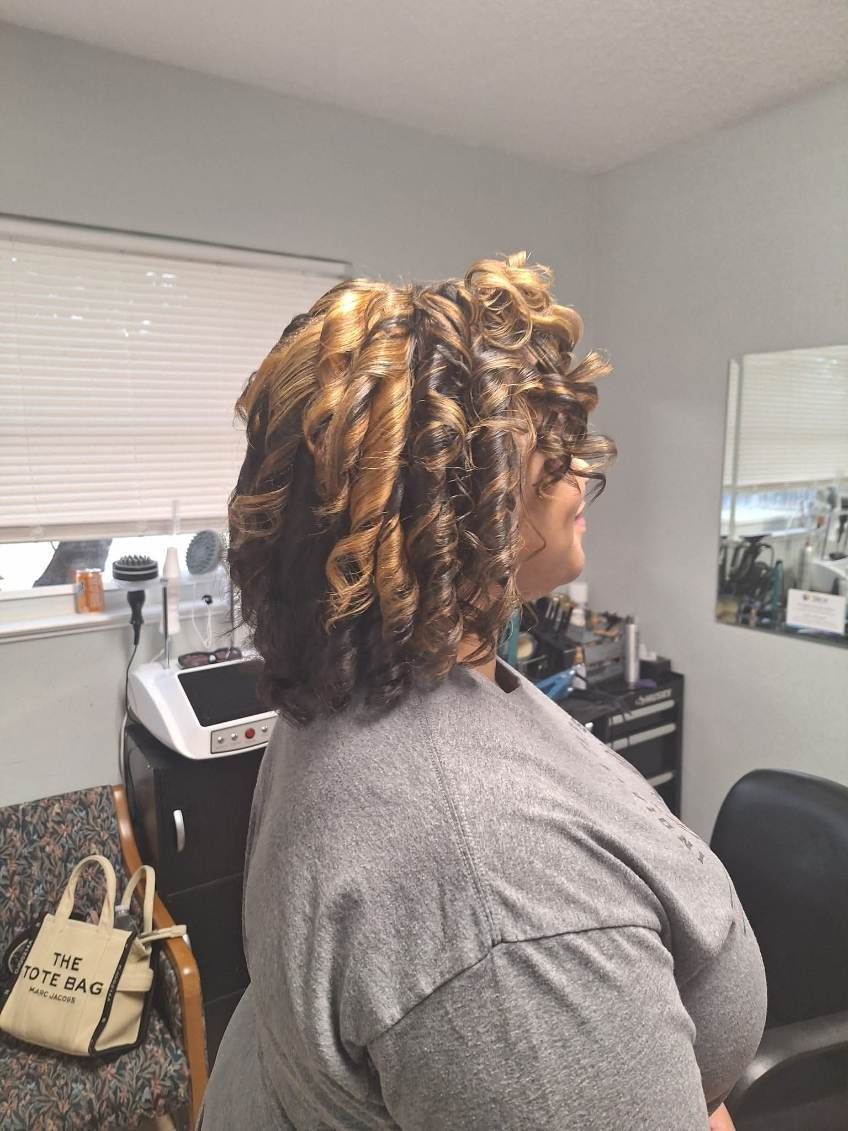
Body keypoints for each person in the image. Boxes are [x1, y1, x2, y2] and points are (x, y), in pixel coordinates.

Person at [201, 254, 766, 1129]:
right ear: (452, 502)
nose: (580, 470)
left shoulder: (361, 679)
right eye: (549, 443)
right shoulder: (491, 892)